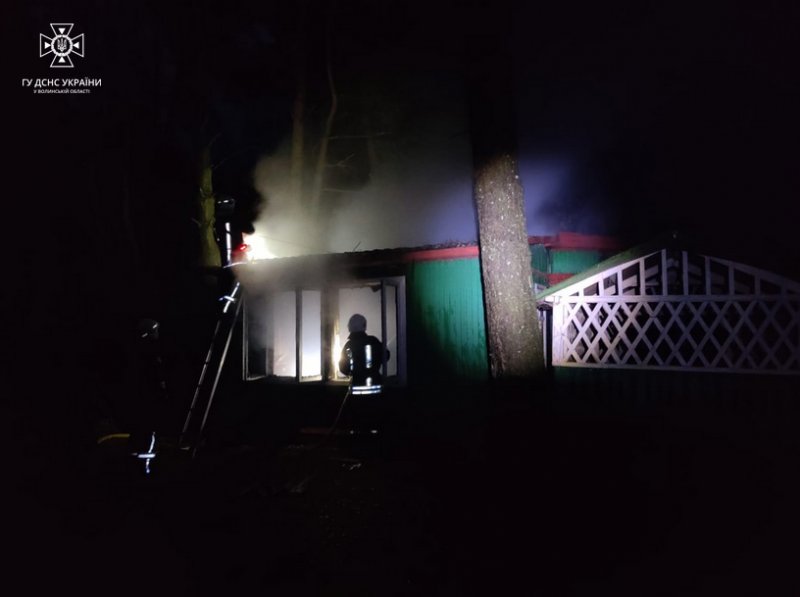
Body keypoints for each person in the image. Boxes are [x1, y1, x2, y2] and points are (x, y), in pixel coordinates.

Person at [338, 314, 388, 395]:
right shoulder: (373, 341)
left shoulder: (349, 346)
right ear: (364, 326)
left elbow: (343, 367)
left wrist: (353, 373)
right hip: (375, 391)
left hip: (356, 391)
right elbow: (386, 356)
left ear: (349, 327)